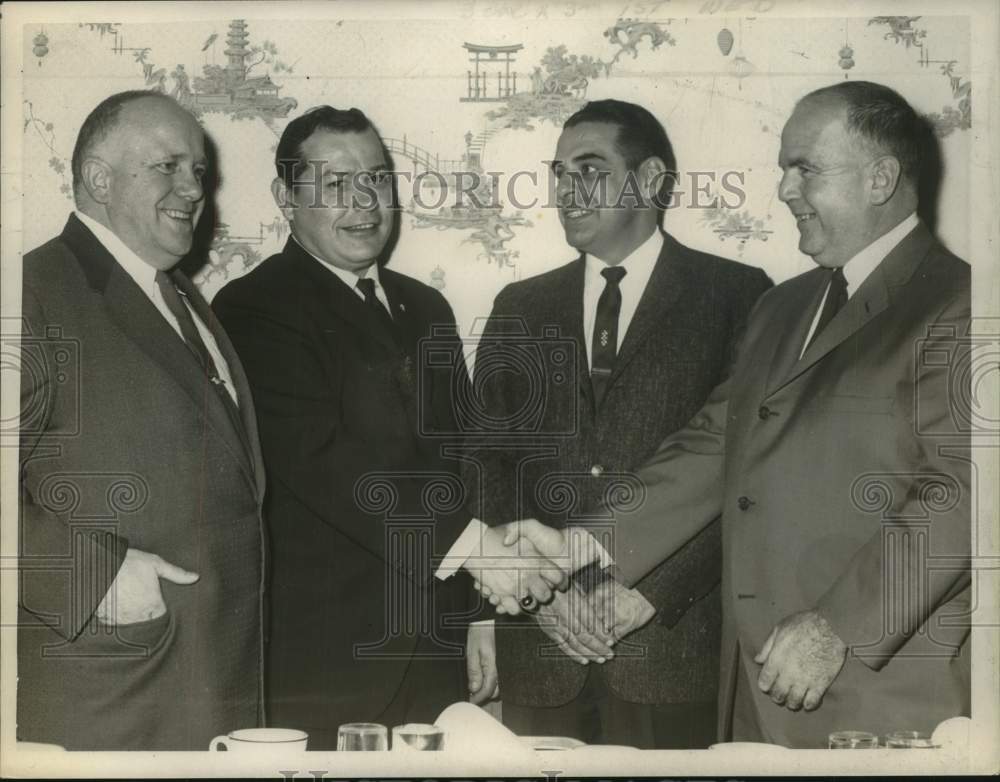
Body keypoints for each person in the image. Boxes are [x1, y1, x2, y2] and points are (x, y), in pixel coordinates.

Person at [499, 81, 972, 748]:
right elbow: (712, 443)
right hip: (752, 691)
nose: (782, 189)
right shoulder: (785, 306)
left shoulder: (964, 303)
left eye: (804, 168)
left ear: (880, 178)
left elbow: (966, 492)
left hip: (878, 692)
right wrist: (580, 543)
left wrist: (837, 625)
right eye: (784, 167)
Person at [211, 106, 560, 749]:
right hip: (326, 664)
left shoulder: (426, 306)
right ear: (285, 198)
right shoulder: (255, 307)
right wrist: (482, 549)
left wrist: (480, 614)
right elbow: (327, 463)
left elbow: (465, 462)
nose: (365, 203)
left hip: (436, 652)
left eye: (376, 179)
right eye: (336, 184)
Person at [464, 99, 772, 747]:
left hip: (670, 644)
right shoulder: (519, 306)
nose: (565, 191)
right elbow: (485, 464)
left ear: (652, 177)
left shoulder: (739, 296)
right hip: (540, 652)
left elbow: (749, 471)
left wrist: (651, 591)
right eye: (558, 172)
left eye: (590, 168)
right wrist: (535, 594)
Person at [17, 91, 267, 749]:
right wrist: (94, 574)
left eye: (199, 172)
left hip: (211, 689)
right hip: (117, 697)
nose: (194, 190)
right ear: (99, 178)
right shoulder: (32, 290)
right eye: (168, 166)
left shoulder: (180, 294)